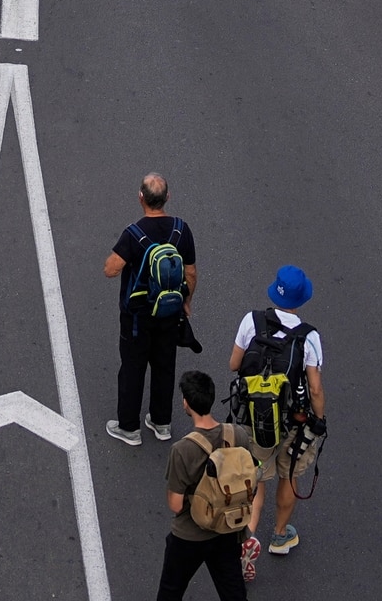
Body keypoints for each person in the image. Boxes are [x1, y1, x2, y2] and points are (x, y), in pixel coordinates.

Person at [227, 266, 326, 564]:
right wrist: (318, 421)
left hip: (256, 418)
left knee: (255, 478)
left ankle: (248, 536)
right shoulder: (308, 337)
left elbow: (234, 364)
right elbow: (315, 388)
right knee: (289, 475)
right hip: (293, 421)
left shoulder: (251, 321)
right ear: (301, 298)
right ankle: (280, 536)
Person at [105, 173, 198, 446]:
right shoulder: (182, 230)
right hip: (169, 313)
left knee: (133, 368)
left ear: (141, 197)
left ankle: (129, 427)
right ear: (167, 197)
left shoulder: (133, 234)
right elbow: (190, 273)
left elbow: (110, 269)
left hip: (137, 317)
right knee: (164, 366)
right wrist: (186, 301)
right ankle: (161, 423)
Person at [157, 370, 255, 601]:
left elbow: (175, 504)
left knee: (170, 592)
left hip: (189, 535)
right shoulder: (237, 434)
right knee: (233, 593)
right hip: (227, 528)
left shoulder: (182, 450)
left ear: (186, 403)